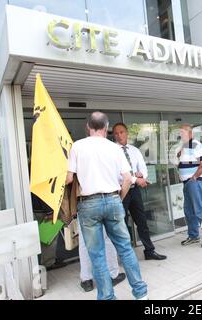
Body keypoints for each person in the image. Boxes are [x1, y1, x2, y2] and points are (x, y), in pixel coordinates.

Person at [66, 111, 147, 300]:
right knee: (125, 248)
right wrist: (119, 198)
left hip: (88, 204)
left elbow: (69, 178)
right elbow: (127, 178)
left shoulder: (77, 146)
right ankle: (141, 294)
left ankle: (107, 297)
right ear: (106, 127)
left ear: (88, 127)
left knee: (97, 254)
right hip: (113, 200)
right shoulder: (115, 148)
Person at [112, 123, 167, 261]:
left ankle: (149, 251)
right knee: (122, 224)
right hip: (120, 192)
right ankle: (125, 256)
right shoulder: (111, 151)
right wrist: (136, 177)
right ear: (114, 135)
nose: (119, 135)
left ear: (127, 133)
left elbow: (143, 169)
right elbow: (117, 174)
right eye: (117, 133)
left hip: (134, 191)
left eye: (122, 132)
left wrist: (141, 175)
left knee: (142, 221)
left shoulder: (134, 150)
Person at [177, 124, 202, 248]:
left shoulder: (195, 144)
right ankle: (193, 236)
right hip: (187, 183)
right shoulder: (184, 146)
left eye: (182, 133)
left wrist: (194, 177)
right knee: (189, 211)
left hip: (194, 182)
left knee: (199, 210)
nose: (180, 135)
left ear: (190, 134)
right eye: (180, 133)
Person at [78, 226, 126, 292]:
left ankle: (87, 281)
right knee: (106, 236)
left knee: (84, 240)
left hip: (82, 216)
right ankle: (113, 275)